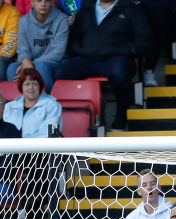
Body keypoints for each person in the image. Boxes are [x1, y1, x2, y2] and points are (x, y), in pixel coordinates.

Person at [56, 0, 152, 130]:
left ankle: (121, 118)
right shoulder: (86, 9)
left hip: (116, 58)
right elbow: (74, 37)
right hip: (87, 59)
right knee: (61, 71)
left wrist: (126, 51)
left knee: (119, 72)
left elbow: (144, 38)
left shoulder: (131, 9)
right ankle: (61, 124)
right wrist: (80, 50)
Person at [8, 0, 68, 92]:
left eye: (47, 1)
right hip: (31, 62)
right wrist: (25, 60)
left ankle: (49, 102)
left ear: (52, 2)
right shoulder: (23, 21)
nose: (43, 4)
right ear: (32, 3)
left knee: (42, 66)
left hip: (55, 62)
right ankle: (17, 103)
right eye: (39, 1)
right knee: (12, 68)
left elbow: (58, 53)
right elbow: (22, 49)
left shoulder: (62, 19)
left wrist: (30, 64)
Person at [2, 68, 61, 138]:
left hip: (41, 147)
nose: (31, 87)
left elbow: (52, 133)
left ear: (40, 86)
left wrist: (25, 146)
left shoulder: (54, 106)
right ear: (21, 86)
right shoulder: (10, 106)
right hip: (11, 147)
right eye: (27, 84)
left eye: (35, 84)